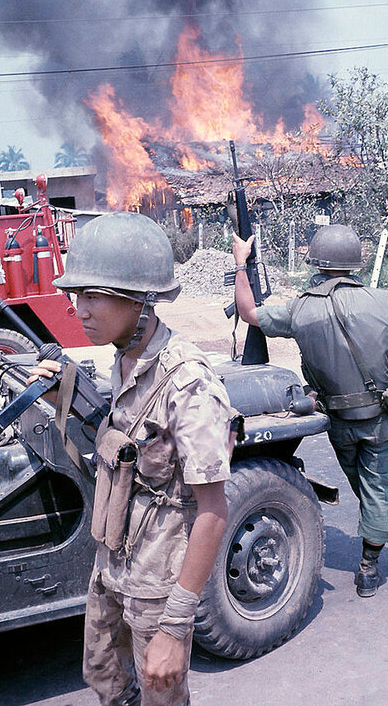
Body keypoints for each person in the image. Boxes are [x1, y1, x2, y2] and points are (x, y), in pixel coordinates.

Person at [29, 211, 232, 706]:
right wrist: (65, 391)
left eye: (94, 295)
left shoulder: (190, 383)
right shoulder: (124, 357)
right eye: (78, 296)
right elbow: (123, 451)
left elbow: (213, 512)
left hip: (159, 584)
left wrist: (176, 626)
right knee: (106, 680)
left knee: (161, 695)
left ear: (141, 301)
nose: (81, 310)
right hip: (112, 565)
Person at [232, 223, 388, 598]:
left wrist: (241, 263)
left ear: (317, 262)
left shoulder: (299, 310)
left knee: (370, 490)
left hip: (337, 423)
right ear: (355, 263)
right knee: (376, 490)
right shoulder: (383, 301)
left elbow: (247, 312)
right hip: (380, 420)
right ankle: (369, 569)